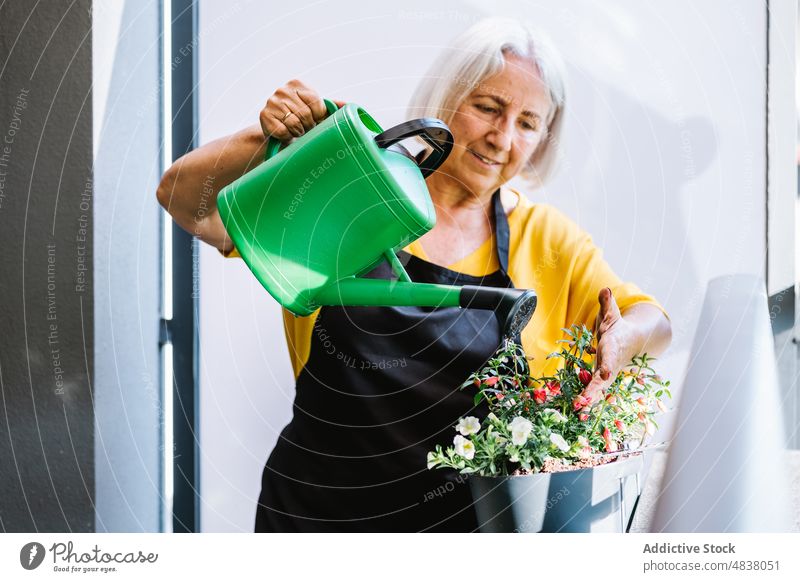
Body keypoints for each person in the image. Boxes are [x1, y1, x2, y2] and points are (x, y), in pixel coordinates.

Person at [157, 17, 671, 532]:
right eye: (488, 107)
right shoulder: (354, 192)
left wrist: (624, 337)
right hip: (315, 523)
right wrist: (265, 138)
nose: (501, 137)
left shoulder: (549, 241)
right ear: (446, 97)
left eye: (527, 123)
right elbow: (182, 199)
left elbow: (652, 322)